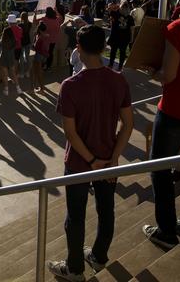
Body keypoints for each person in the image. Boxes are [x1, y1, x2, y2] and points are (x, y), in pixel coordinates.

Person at [49, 25, 133, 281]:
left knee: (75, 216)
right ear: (104, 47)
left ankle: (74, 268)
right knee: (106, 210)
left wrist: (92, 161)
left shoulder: (70, 85)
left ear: (79, 48)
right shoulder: (118, 79)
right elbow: (127, 124)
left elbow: (70, 134)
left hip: (79, 162)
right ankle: (99, 255)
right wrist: (113, 158)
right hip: (109, 159)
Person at [142, 5, 180, 250]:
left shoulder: (179, 29)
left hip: (176, 111)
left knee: (159, 168)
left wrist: (154, 72)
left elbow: (169, 75)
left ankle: (166, 230)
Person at [107, 0, 134, 71]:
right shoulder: (130, 17)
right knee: (122, 52)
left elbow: (109, 8)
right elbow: (132, 29)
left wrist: (117, 6)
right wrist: (131, 38)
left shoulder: (115, 14)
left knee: (114, 51)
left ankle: (111, 65)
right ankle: (119, 67)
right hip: (124, 37)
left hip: (116, 36)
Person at [0, 26, 22, 96]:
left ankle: (6, 90)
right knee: (14, 74)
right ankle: (18, 89)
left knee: (5, 75)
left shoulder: (2, 41)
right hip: (11, 58)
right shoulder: (14, 41)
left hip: (4, 58)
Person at [31, 22, 50, 93]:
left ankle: (41, 88)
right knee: (38, 72)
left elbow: (39, 48)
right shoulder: (43, 36)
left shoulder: (40, 38)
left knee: (38, 72)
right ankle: (39, 87)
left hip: (38, 56)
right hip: (41, 56)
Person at [18, 12, 33, 78]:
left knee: (21, 58)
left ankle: (21, 73)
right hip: (28, 42)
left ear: (21, 17)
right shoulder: (30, 24)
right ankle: (28, 72)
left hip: (21, 43)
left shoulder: (20, 25)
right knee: (27, 58)